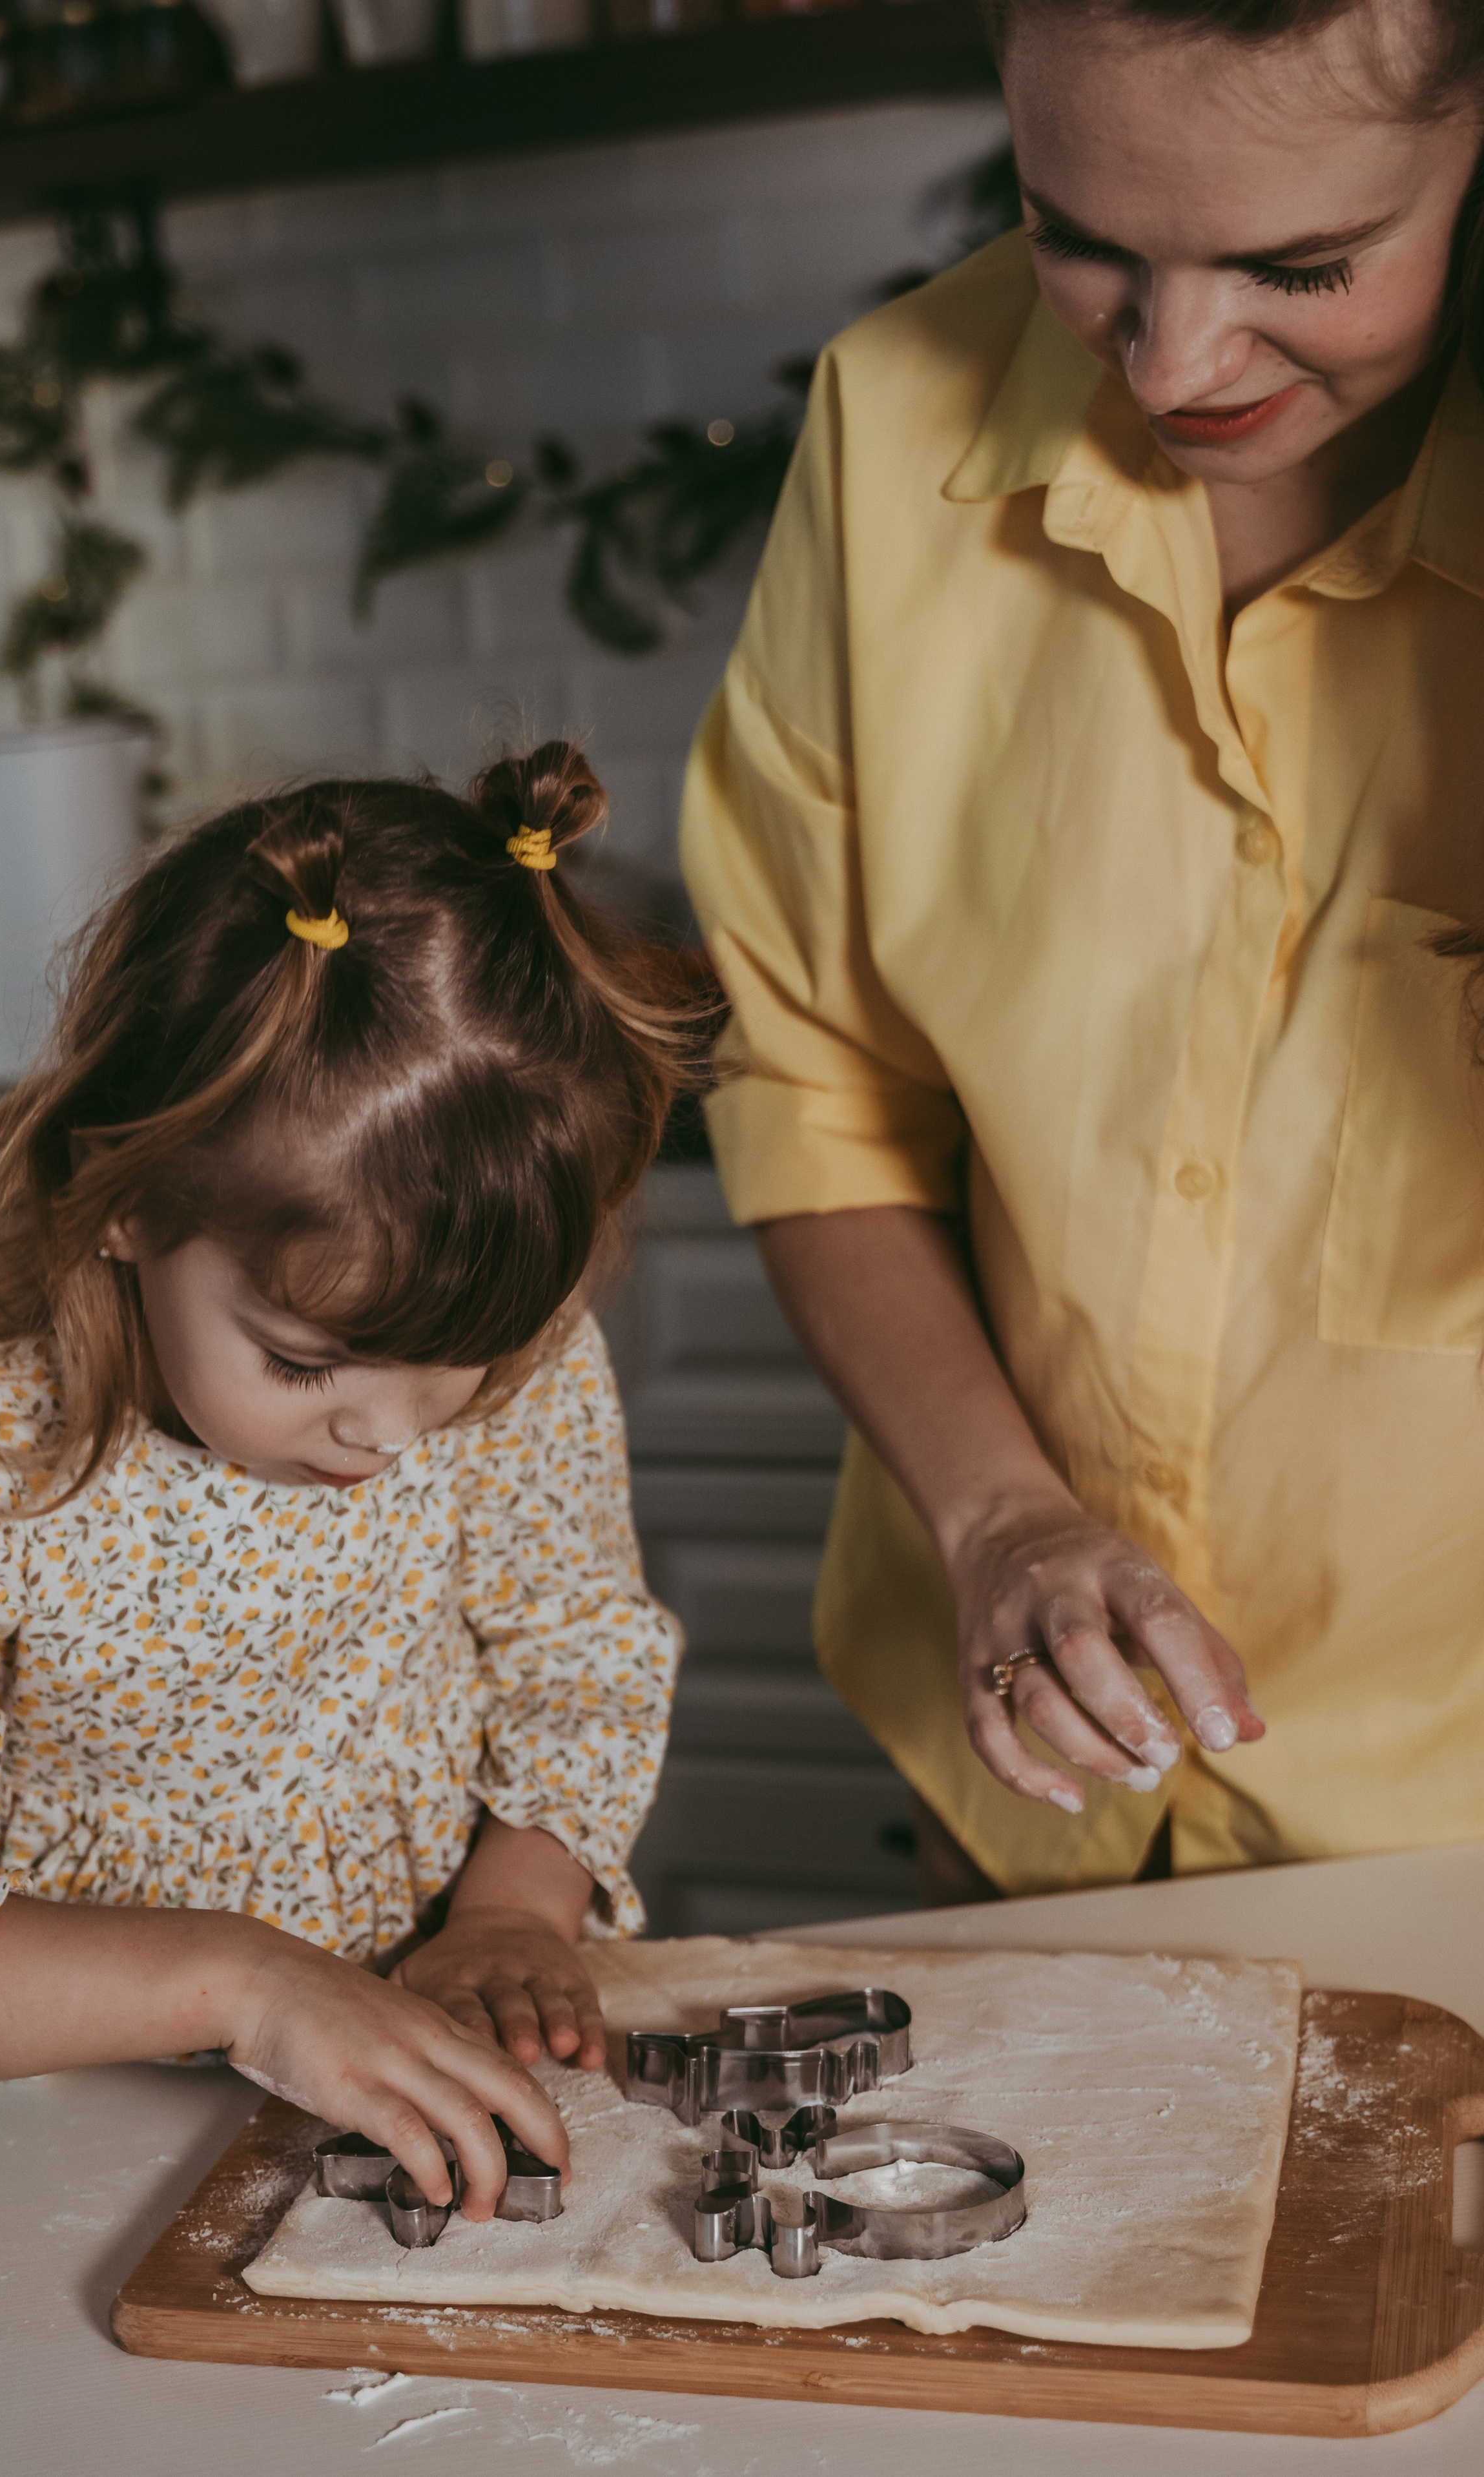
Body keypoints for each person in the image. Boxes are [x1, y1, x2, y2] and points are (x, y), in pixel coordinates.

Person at [680, 0, 1484, 1904]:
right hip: (1035, 1803)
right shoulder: (895, 425)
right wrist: (999, 1520)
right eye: (1084, 242)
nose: (1177, 357)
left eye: (1304, 265)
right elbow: (814, 1085)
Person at [0, 743, 686, 2221]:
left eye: (462, 1368)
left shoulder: (506, 1356)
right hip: (48, 2142)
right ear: (122, 1195)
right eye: (306, 1361)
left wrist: (508, 1911)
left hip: (411, 2065)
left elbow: (576, 1653)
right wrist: (247, 1982)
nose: (392, 1436)